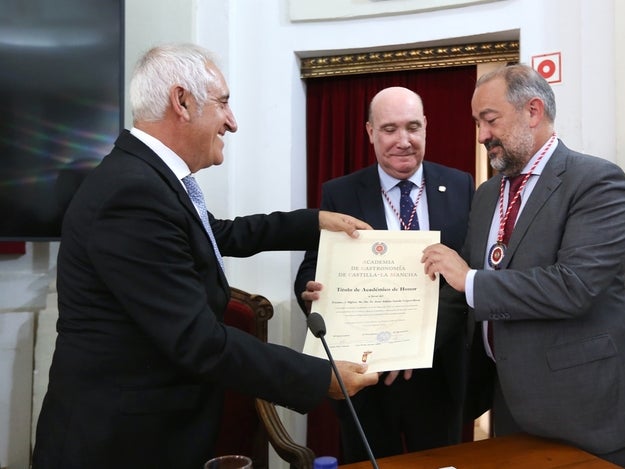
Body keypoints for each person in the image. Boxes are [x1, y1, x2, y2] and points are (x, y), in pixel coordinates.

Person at [32, 43, 378, 469]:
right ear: (182, 101)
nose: (232, 123)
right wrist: (320, 376)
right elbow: (197, 340)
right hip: (119, 445)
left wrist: (314, 222)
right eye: (224, 103)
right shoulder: (132, 192)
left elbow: (216, 235)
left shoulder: (147, 178)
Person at [421, 64, 625, 469]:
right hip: (511, 406)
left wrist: (471, 280)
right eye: (477, 122)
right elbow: (462, 294)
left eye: (490, 120)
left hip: (587, 410)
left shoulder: (596, 181)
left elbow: (575, 286)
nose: (481, 135)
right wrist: (402, 344)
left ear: (532, 111)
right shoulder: (486, 195)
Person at [295, 86, 475, 462]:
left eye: (413, 127)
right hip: (366, 377)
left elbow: (468, 276)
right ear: (370, 132)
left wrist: (419, 342)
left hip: (437, 372)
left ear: (426, 127)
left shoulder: (461, 186)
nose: (403, 141)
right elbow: (313, 268)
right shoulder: (340, 193)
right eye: (390, 129)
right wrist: (311, 290)